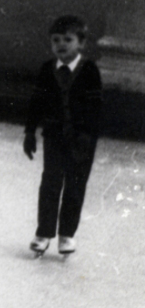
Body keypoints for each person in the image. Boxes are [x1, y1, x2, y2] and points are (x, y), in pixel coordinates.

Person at [23, 15, 102, 257]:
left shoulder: (89, 70)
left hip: (82, 139)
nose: (61, 44)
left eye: (68, 39)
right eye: (56, 39)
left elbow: (95, 108)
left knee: (75, 186)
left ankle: (67, 234)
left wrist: (87, 136)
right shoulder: (47, 69)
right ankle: (44, 233)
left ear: (81, 43)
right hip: (54, 136)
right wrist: (29, 132)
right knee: (50, 183)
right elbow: (36, 103)